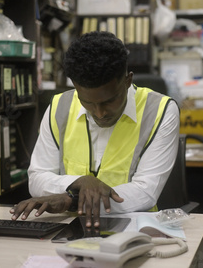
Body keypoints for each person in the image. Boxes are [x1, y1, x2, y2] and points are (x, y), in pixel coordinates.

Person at [10, 31, 180, 228]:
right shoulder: (59, 107)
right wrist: (81, 182)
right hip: (69, 227)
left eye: (109, 101)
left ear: (127, 81)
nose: (100, 113)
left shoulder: (161, 110)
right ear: (75, 87)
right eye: (87, 102)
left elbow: (145, 192)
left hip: (134, 229)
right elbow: (37, 178)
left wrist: (70, 199)